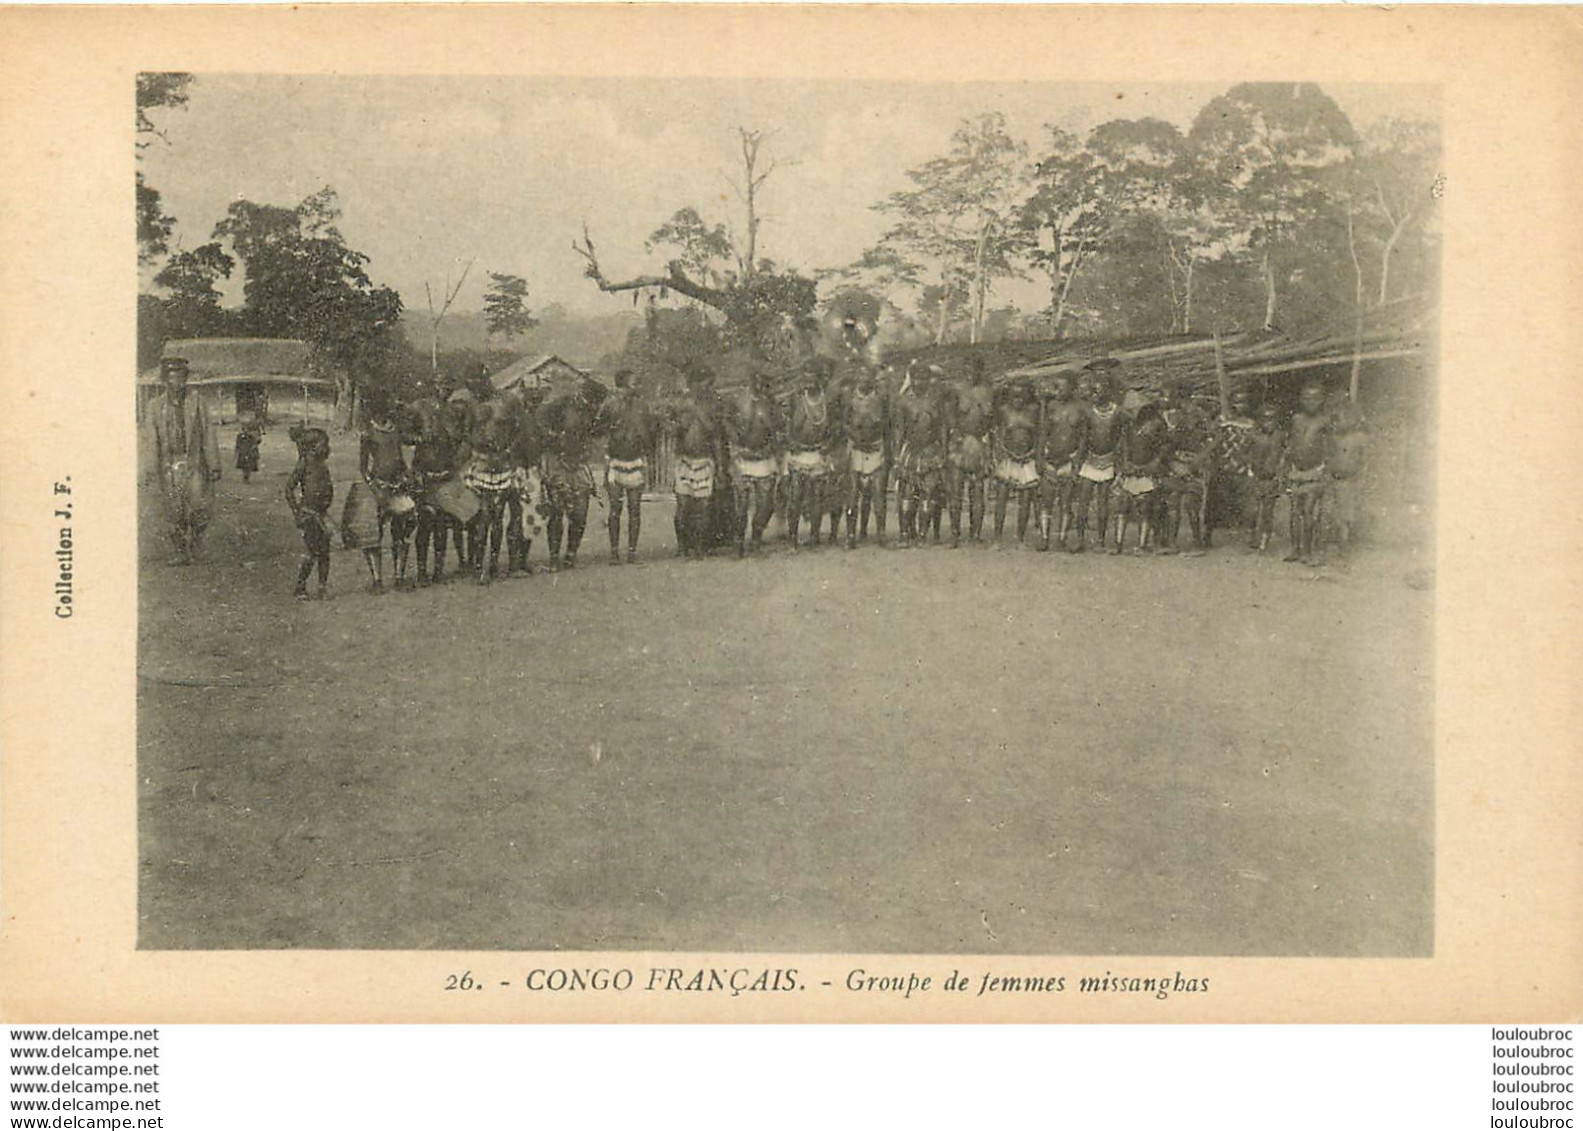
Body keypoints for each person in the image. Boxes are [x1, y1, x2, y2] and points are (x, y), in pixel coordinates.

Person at [147, 355, 221, 565]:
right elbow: (151, 439)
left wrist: (214, 464)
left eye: (181, 377)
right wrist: (151, 468)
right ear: (165, 380)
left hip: (194, 462)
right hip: (169, 465)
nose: (177, 382)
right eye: (172, 377)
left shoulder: (197, 403)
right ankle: (180, 552)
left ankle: (196, 545)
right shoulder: (155, 406)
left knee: (200, 507)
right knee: (174, 510)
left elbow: (208, 433)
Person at [537, 376, 605, 571]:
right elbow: (540, 418)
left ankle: (571, 555)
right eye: (590, 400)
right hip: (557, 461)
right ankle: (553, 557)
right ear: (583, 395)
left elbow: (592, 433)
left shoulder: (592, 411)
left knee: (580, 513)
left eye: (595, 403)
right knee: (557, 511)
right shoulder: (562, 404)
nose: (592, 405)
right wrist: (553, 437)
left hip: (579, 463)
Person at [593, 369, 656, 565]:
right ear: (621, 386)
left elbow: (651, 431)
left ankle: (632, 552)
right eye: (634, 383)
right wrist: (611, 428)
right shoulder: (609, 405)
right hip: (616, 460)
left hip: (636, 460)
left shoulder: (643, 407)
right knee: (615, 508)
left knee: (635, 508)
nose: (637, 387)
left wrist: (647, 451)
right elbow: (595, 428)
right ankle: (614, 552)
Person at [670, 364, 727, 559]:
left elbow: (714, 433)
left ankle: (699, 546)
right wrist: (684, 417)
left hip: (705, 459)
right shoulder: (680, 403)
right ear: (694, 383)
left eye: (710, 384)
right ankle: (682, 546)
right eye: (705, 383)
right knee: (683, 507)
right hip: (685, 460)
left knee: (704, 507)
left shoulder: (712, 404)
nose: (708, 387)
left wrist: (719, 468)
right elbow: (675, 431)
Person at [359, 401, 417, 592]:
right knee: (373, 534)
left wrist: (406, 474)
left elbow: (399, 457)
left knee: (400, 532)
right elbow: (363, 467)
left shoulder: (395, 430)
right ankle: (377, 580)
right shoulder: (368, 433)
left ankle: (399, 577)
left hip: (398, 484)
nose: (383, 414)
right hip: (378, 486)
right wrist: (374, 488)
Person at [727, 365, 784, 558]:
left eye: (760, 381)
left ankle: (756, 538)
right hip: (743, 457)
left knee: (765, 504)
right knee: (740, 506)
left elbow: (777, 430)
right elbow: (728, 424)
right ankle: (738, 543)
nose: (757, 384)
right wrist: (735, 442)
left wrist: (772, 447)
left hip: (764, 458)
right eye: (754, 381)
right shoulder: (737, 401)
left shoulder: (769, 404)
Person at [784, 360, 837, 550]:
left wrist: (828, 446)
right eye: (804, 378)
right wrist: (791, 443)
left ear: (819, 380)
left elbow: (835, 429)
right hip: (798, 455)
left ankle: (814, 537)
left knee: (817, 497)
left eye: (811, 378)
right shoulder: (794, 399)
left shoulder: (827, 400)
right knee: (795, 496)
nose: (807, 382)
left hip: (818, 454)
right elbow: (785, 427)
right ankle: (792, 538)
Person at [1073, 359, 1124, 553]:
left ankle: (1101, 540)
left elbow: (1120, 437)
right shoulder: (1088, 412)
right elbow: (1084, 439)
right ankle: (1079, 538)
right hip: (1090, 460)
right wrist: (1078, 463)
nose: (1093, 395)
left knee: (1103, 501)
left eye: (1097, 391)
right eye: (1092, 391)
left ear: (1108, 391)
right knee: (1084, 500)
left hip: (1108, 459)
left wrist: (1118, 462)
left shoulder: (1117, 412)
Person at [1158, 379, 1214, 554]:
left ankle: (1197, 543)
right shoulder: (1166, 417)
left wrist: (1199, 459)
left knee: (1191, 504)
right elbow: (1164, 445)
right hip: (1174, 464)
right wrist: (1172, 463)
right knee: (1173, 503)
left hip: (1194, 465)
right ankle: (1172, 543)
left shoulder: (1198, 415)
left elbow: (1215, 438)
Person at [944, 355, 994, 547]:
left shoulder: (989, 391)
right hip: (960, 443)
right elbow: (949, 416)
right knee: (956, 491)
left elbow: (993, 418)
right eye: (967, 370)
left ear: (980, 370)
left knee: (978, 491)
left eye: (974, 369)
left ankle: (975, 534)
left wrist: (986, 442)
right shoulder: (956, 390)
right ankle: (955, 534)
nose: (970, 374)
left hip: (980, 443)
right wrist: (957, 436)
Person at [1036, 371, 1086, 552]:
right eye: (1054, 387)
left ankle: (1062, 538)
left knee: (1066, 502)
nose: (1056, 391)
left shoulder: (1081, 408)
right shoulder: (1051, 406)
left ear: (1072, 389)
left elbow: (1083, 437)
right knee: (1046, 501)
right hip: (1051, 459)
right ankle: (1044, 538)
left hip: (1069, 460)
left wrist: (1078, 461)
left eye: (1061, 388)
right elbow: (1043, 432)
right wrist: (1039, 457)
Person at [842, 365, 890, 548]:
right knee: (853, 495)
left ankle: (881, 534)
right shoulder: (851, 399)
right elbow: (844, 423)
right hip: (856, 450)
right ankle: (851, 535)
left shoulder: (881, 399)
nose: (864, 379)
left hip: (876, 448)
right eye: (861, 375)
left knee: (878, 494)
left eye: (868, 376)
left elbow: (887, 424)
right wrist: (855, 437)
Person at [1285, 380, 1332, 564]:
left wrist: (1325, 468)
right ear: (1300, 399)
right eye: (1306, 398)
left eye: (1315, 398)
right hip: (1296, 472)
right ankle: (1295, 549)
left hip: (1315, 472)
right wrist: (1288, 459)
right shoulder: (1296, 419)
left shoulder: (1325, 421)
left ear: (1322, 400)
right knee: (1295, 512)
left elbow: (1329, 446)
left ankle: (1307, 550)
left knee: (1309, 512)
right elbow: (1293, 442)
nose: (1310, 402)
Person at [991, 376, 1041, 546]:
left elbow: (1038, 434)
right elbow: (999, 434)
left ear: (1028, 396)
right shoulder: (1004, 410)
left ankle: (1020, 537)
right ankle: (997, 538)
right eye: (1014, 397)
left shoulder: (1034, 410)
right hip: (1008, 458)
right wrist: (1005, 453)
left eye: (1021, 397)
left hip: (1027, 459)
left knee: (1025, 500)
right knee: (1001, 497)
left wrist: (1032, 453)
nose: (1018, 401)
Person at [1112, 401, 1168, 554]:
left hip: (1147, 471)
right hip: (1130, 471)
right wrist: (1125, 464)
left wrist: (1152, 465)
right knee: (1122, 507)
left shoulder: (1157, 425)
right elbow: (1124, 448)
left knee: (1145, 508)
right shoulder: (1129, 427)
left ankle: (1142, 544)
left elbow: (1162, 449)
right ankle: (1118, 543)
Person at [284, 427, 333, 599]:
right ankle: (300, 586)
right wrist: (297, 511)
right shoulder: (305, 463)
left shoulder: (321, 464)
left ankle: (322, 587)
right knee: (313, 551)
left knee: (325, 552)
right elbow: (288, 489)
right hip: (308, 514)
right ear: (312, 447)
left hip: (322, 514)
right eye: (323, 444)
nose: (327, 448)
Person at [1324, 399, 1370, 561]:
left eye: (1342, 418)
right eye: (1336, 418)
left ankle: (1344, 548)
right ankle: (1330, 546)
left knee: (1345, 517)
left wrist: (1360, 481)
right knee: (1332, 514)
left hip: (1349, 482)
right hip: (1334, 480)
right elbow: (1329, 455)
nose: (1338, 421)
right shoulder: (1335, 437)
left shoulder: (1359, 438)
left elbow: (1364, 461)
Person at [1247, 402, 1287, 554]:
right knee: (1252, 510)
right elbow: (1246, 453)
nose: (1269, 423)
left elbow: (1285, 454)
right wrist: (1250, 470)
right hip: (1256, 477)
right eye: (1265, 419)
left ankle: (1265, 541)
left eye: (1272, 419)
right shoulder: (1253, 435)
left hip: (1272, 478)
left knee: (1267, 512)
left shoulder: (1280, 436)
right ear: (1259, 420)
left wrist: (1281, 473)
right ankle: (1252, 536)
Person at [234, 412, 262, 483]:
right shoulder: (240, 436)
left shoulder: (252, 436)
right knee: (244, 464)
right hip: (244, 451)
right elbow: (238, 444)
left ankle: (247, 477)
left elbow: (257, 442)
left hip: (249, 451)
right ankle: (245, 476)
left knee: (248, 465)